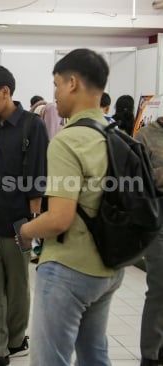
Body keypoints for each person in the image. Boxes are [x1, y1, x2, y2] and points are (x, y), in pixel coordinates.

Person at [18, 48, 125, 366]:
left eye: (56, 84)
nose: (54, 94)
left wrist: (25, 230)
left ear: (73, 83)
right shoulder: (113, 134)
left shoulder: (68, 140)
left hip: (69, 269)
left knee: (51, 359)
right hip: (109, 266)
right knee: (94, 353)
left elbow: (59, 219)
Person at [0, 64, 49, 366]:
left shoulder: (32, 126)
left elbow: (38, 177)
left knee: (17, 287)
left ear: (6, 91)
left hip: (19, 220)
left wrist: (32, 223)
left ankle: (16, 340)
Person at [135, 115, 163, 366]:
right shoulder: (144, 136)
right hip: (156, 218)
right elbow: (135, 180)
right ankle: (151, 353)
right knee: (159, 285)